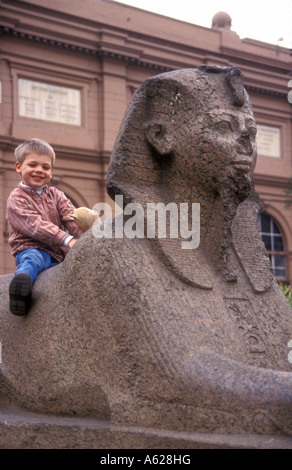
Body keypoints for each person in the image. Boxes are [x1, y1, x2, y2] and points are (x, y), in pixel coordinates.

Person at [6, 138, 84, 316]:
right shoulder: (16, 198)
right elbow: (35, 226)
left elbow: (71, 216)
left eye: (45, 167)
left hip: (58, 253)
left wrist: (87, 237)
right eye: (33, 165)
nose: (39, 171)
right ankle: (20, 290)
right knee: (33, 260)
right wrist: (67, 239)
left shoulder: (56, 194)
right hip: (31, 247)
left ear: (51, 171)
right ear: (19, 167)